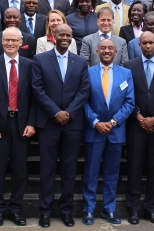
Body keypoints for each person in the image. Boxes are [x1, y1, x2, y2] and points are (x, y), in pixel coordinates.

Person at [31, 24, 90, 228]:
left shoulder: (81, 62)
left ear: (72, 38)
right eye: (61, 35)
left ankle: (66, 211)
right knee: (47, 169)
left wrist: (69, 113)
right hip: (49, 123)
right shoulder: (40, 59)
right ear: (53, 36)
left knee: (69, 169)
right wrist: (55, 112)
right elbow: (37, 89)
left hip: (73, 124)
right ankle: (45, 212)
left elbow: (84, 90)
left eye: (68, 35)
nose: (65, 38)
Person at [0, 28, 37, 227]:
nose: (10, 43)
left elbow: (34, 98)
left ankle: (16, 209)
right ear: (1, 42)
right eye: (7, 40)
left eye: (14, 40)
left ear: (21, 43)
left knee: (20, 170)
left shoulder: (30, 65)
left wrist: (31, 122)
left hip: (22, 125)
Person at [80, 39, 134, 226]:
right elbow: (83, 101)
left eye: (110, 48)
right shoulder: (87, 73)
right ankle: (88, 209)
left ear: (116, 51)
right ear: (97, 50)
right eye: (103, 48)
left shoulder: (126, 73)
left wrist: (112, 122)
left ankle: (109, 210)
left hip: (115, 132)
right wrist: (95, 122)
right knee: (91, 172)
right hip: (94, 131)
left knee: (112, 173)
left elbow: (129, 103)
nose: (106, 51)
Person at [123, 32, 154, 225]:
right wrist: (140, 116)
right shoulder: (129, 66)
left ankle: (151, 209)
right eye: (144, 43)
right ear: (139, 45)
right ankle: (133, 209)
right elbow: (126, 93)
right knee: (134, 169)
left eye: (151, 43)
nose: (148, 46)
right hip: (136, 125)